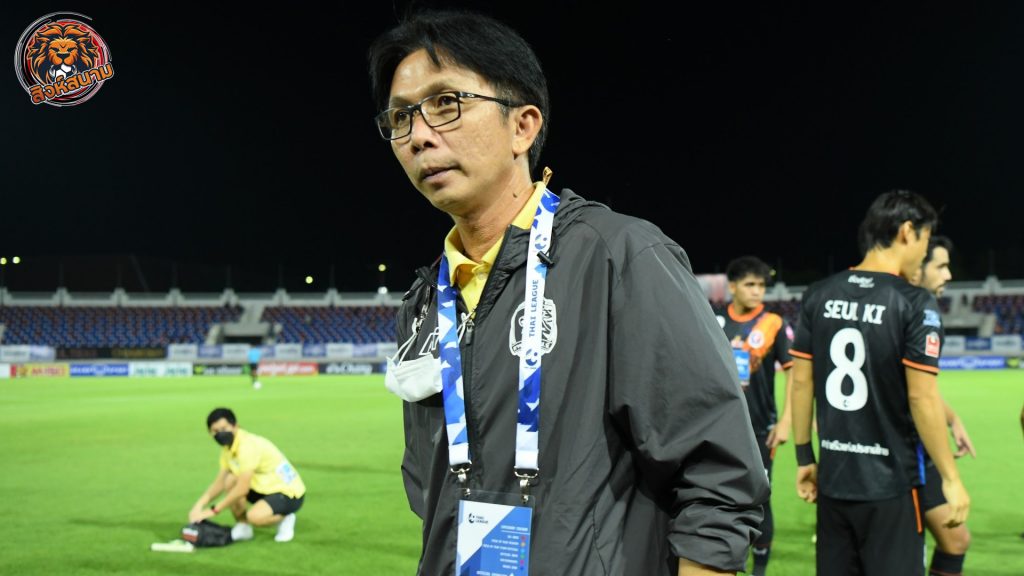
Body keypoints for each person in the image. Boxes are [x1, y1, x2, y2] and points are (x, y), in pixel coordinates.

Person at [369, 9, 769, 576]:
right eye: (400, 117)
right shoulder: (424, 301)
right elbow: (427, 488)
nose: (418, 136)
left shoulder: (619, 257)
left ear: (523, 126)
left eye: (446, 103)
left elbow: (717, 476)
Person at [790, 190, 970, 576]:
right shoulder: (914, 303)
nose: (923, 252)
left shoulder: (818, 294)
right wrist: (951, 479)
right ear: (907, 231)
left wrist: (805, 457)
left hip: (834, 483)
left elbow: (801, 383)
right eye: (924, 239)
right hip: (891, 486)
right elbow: (922, 397)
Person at [716, 256, 794, 576]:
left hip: (761, 428)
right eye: (750, 284)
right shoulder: (715, 320)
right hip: (720, 426)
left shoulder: (773, 323)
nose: (757, 291)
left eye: (761, 285)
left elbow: (795, 374)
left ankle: (759, 567)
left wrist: (786, 421)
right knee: (718, 493)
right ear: (733, 286)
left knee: (760, 496)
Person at [911, 234, 975, 576]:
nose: (948, 275)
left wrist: (953, 418)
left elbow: (924, 388)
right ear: (916, 267)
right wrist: (951, 476)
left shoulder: (920, 308)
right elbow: (917, 394)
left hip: (913, 448)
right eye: (941, 266)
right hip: (906, 452)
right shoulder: (917, 311)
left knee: (954, 541)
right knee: (950, 541)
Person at [188, 408, 305, 543]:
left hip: (288, 492)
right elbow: (220, 483)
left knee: (254, 517)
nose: (220, 433)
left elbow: (242, 489)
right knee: (230, 480)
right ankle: (243, 527)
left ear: (235, 426)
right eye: (215, 431)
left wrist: (213, 511)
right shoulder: (228, 448)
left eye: (224, 428)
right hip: (264, 488)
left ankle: (285, 518)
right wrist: (198, 506)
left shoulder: (247, 446)